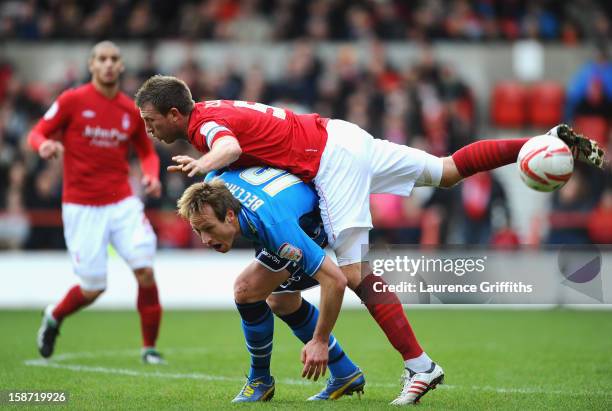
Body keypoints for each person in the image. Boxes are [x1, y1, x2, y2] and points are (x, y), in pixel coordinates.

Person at [135, 75, 604, 404]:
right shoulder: (213, 107)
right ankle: (534, 143)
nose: (149, 128)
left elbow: (230, 147)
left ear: (176, 113)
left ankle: (419, 367)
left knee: (353, 274)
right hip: (341, 135)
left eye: (152, 120)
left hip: (329, 163)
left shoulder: (202, 128)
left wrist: (205, 164)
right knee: (445, 171)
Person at [177, 167, 364, 402]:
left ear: (230, 216)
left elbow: (336, 280)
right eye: (198, 230)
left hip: (309, 220)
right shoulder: (213, 183)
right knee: (282, 301)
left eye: (209, 229)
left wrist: (320, 340)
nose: (205, 239)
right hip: (280, 209)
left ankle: (260, 380)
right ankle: (345, 372)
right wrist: (203, 162)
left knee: (246, 289)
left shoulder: (276, 228)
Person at [29, 41, 164, 364]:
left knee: (145, 270)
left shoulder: (130, 110)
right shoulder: (72, 100)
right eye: (101, 59)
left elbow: (146, 151)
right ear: (92, 65)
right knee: (92, 288)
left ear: (120, 66)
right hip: (81, 206)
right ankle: (54, 316)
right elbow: (37, 133)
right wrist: (44, 145)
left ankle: (149, 348)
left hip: (121, 202)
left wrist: (151, 175)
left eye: (114, 59)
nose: (108, 64)